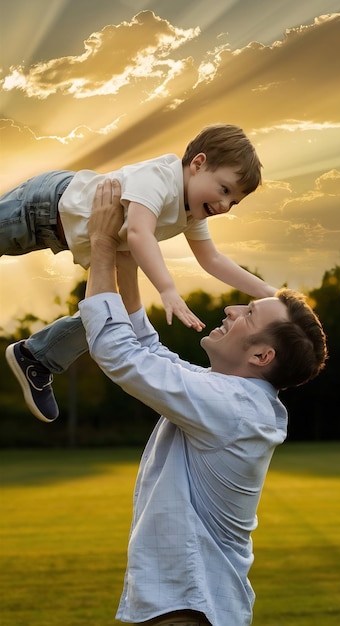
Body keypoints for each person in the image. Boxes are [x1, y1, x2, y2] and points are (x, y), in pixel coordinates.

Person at [77, 180, 328, 626]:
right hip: (193, 606)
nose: (232, 310)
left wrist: (99, 243)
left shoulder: (233, 407)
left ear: (261, 356)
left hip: (190, 608)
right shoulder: (234, 396)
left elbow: (119, 353)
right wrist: (125, 252)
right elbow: (147, 349)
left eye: (248, 314)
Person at [4, 124, 277, 423]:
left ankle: (36, 358)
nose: (225, 205)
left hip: (64, 230)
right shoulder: (159, 177)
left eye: (234, 201)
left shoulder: (191, 211)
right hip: (43, 205)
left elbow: (212, 258)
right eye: (224, 190)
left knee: (110, 317)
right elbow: (138, 233)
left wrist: (270, 294)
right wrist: (167, 289)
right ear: (198, 164)